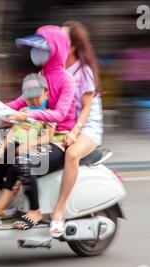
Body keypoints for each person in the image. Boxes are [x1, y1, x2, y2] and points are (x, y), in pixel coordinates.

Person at [0, 25, 77, 230]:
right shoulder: (39, 75)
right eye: (34, 48)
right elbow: (20, 102)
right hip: (35, 130)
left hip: (57, 137)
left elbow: (60, 114)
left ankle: (35, 211)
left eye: (41, 48)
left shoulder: (67, 80)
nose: (35, 52)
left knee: (23, 161)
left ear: (55, 50)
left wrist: (29, 114)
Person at [48, 21, 104, 237]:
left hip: (87, 127)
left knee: (71, 154)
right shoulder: (56, 69)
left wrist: (74, 132)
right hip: (64, 125)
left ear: (71, 46)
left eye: (61, 40)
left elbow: (87, 108)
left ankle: (59, 212)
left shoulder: (84, 71)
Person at [0, 73, 62, 227]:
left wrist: (29, 145)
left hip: (28, 148)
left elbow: (47, 137)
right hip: (15, 146)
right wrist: (1, 147)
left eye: (37, 97)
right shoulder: (24, 110)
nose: (33, 101)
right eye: (29, 98)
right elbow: (13, 131)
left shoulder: (49, 113)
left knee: (15, 171)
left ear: (46, 93)